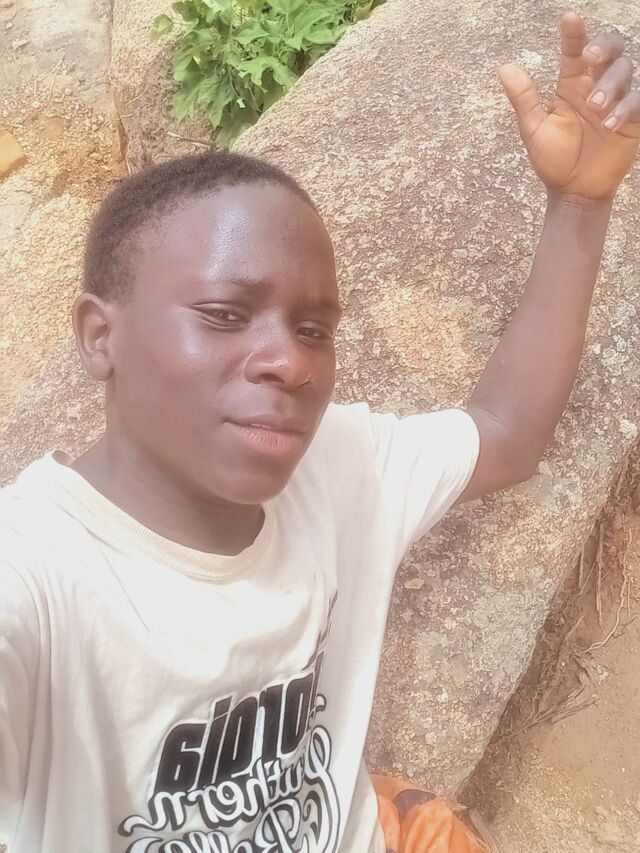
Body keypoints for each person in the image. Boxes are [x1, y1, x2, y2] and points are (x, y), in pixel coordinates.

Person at [1, 11, 639, 853]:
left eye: (314, 330)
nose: (291, 362)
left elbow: (506, 431)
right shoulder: (35, 577)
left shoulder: (336, 465)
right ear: (99, 335)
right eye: (224, 314)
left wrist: (581, 203)